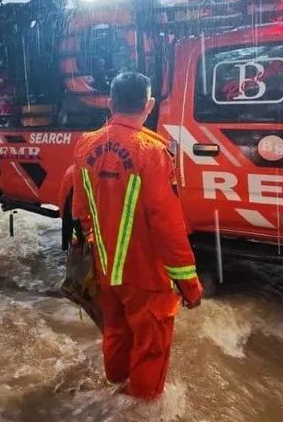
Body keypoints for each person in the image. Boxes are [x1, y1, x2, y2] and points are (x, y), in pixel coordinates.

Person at [72, 71, 202, 401]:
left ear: (110, 103)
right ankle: (140, 410)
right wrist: (189, 283)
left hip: (105, 271)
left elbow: (80, 212)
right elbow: (167, 223)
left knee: (115, 334)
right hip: (146, 278)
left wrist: (100, 253)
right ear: (149, 105)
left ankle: (112, 398)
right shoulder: (152, 150)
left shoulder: (85, 145)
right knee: (151, 351)